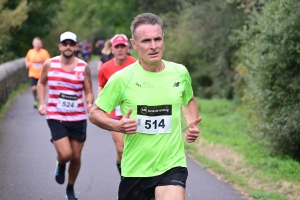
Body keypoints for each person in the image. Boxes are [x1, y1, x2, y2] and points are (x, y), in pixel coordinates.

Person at [89, 13, 202, 200]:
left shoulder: (179, 72)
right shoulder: (122, 78)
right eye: (146, 41)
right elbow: (94, 113)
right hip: (136, 169)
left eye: (157, 39)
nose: (153, 46)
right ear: (134, 45)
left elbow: (188, 100)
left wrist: (191, 124)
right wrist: (117, 126)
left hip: (172, 164)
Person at [37, 31, 94, 200]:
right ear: (60, 46)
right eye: (65, 43)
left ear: (76, 46)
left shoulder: (83, 66)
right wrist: (42, 102)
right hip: (56, 115)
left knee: (76, 156)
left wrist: (89, 102)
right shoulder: (49, 64)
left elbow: (89, 91)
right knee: (66, 154)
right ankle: (61, 162)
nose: (68, 46)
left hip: (78, 117)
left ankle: (70, 188)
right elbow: (41, 82)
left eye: (71, 43)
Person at [97, 34, 137, 176]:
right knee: (121, 149)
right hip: (114, 113)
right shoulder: (106, 68)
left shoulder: (137, 64)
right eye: (117, 47)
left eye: (122, 46)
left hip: (134, 112)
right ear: (112, 49)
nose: (120, 49)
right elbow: (101, 86)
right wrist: (100, 105)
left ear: (128, 48)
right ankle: (124, 179)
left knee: (134, 151)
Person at [25, 37, 50, 108]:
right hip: (32, 73)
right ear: (33, 44)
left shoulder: (44, 52)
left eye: (38, 44)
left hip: (42, 74)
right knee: (34, 88)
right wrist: (27, 63)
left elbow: (48, 62)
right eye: (35, 43)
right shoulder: (30, 52)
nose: (37, 45)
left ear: (41, 44)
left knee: (42, 88)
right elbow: (26, 59)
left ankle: (41, 100)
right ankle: (35, 98)